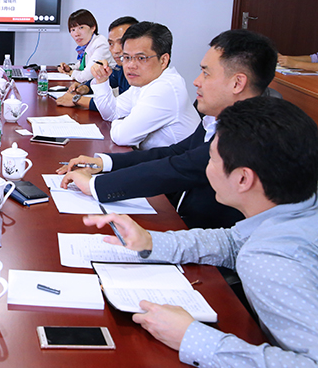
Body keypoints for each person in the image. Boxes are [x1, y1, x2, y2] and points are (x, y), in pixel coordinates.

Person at [83, 96, 318, 368]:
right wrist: (151, 242)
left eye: (213, 159)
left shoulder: (272, 261)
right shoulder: (296, 211)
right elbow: (234, 242)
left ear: (243, 179)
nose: (207, 168)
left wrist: (191, 337)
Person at [59, 29, 277, 229]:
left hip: (203, 234)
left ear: (237, 83)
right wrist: (105, 163)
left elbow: (179, 168)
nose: (196, 81)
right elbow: (174, 153)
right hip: (178, 213)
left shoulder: (246, 136)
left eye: (206, 73)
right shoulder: (217, 118)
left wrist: (96, 185)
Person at [86, 22, 199, 150]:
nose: (131, 65)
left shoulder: (165, 88)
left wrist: (124, 121)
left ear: (163, 60)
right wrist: (101, 80)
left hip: (173, 161)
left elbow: (122, 136)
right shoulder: (144, 82)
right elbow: (111, 113)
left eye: (141, 58)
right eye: (126, 57)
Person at [56, 16, 136, 110]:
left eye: (122, 42)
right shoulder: (121, 68)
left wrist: (76, 99)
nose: (115, 50)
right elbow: (110, 79)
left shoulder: (141, 72)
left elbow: (119, 105)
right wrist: (85, 88)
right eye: (111, 43)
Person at [56, 9, 115, 83]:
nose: (76, 34)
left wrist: (70, 73)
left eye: (81, 27)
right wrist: (69, 68)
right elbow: (84, 65)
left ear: (93, 28)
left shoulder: (101, 44)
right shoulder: (87, 45)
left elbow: (85, 77)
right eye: (73, 30)